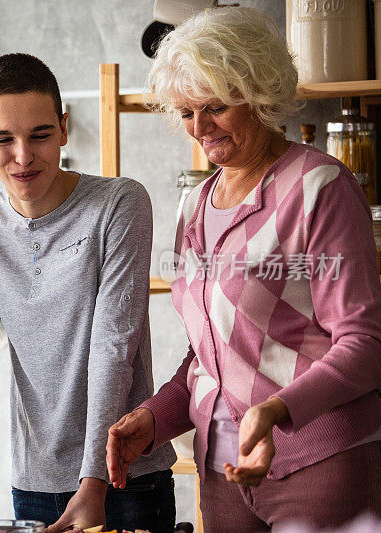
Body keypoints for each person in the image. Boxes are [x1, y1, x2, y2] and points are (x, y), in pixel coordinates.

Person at [106, 7, 381, 531]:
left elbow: (364, 344)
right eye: (186, 112)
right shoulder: (195, 206)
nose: (199, 128)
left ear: (257, 93)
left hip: (320, 462)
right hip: (222, 473)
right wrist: (157, 418)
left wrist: (275, 410)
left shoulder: (319, 187)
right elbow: (210, 352)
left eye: (214, 107)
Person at [0, 53, 177, 533]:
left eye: (39, 135)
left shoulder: (120, 204)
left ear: (64, 128)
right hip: (35, 482)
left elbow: (113, 346)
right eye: (2, 139)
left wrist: (94, 480)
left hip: (125, 477)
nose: (22, 156)